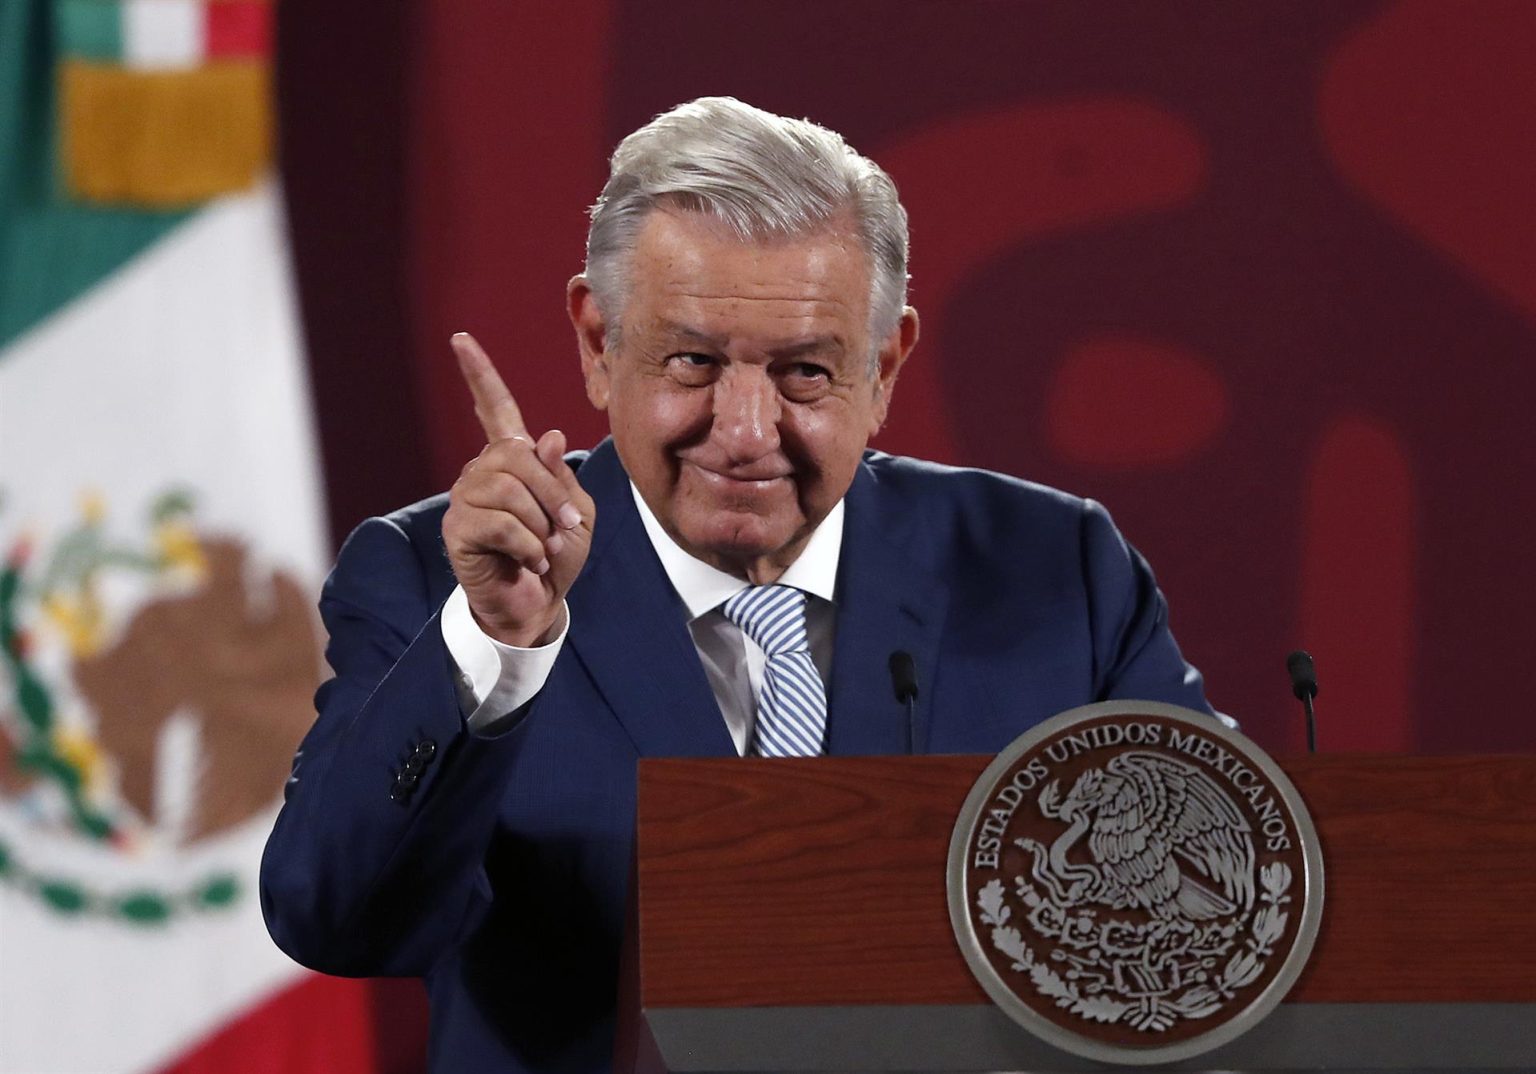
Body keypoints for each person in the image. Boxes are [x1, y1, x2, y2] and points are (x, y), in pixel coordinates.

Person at [261, 97, 1210, 1074]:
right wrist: (494, 647)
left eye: (803, 373)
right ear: (598, 344)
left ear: (884, 366)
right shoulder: (439, 580)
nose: (747, 431)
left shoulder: (1057, 571)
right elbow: (335, 920)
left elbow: (1234, 926)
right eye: (692, 362)